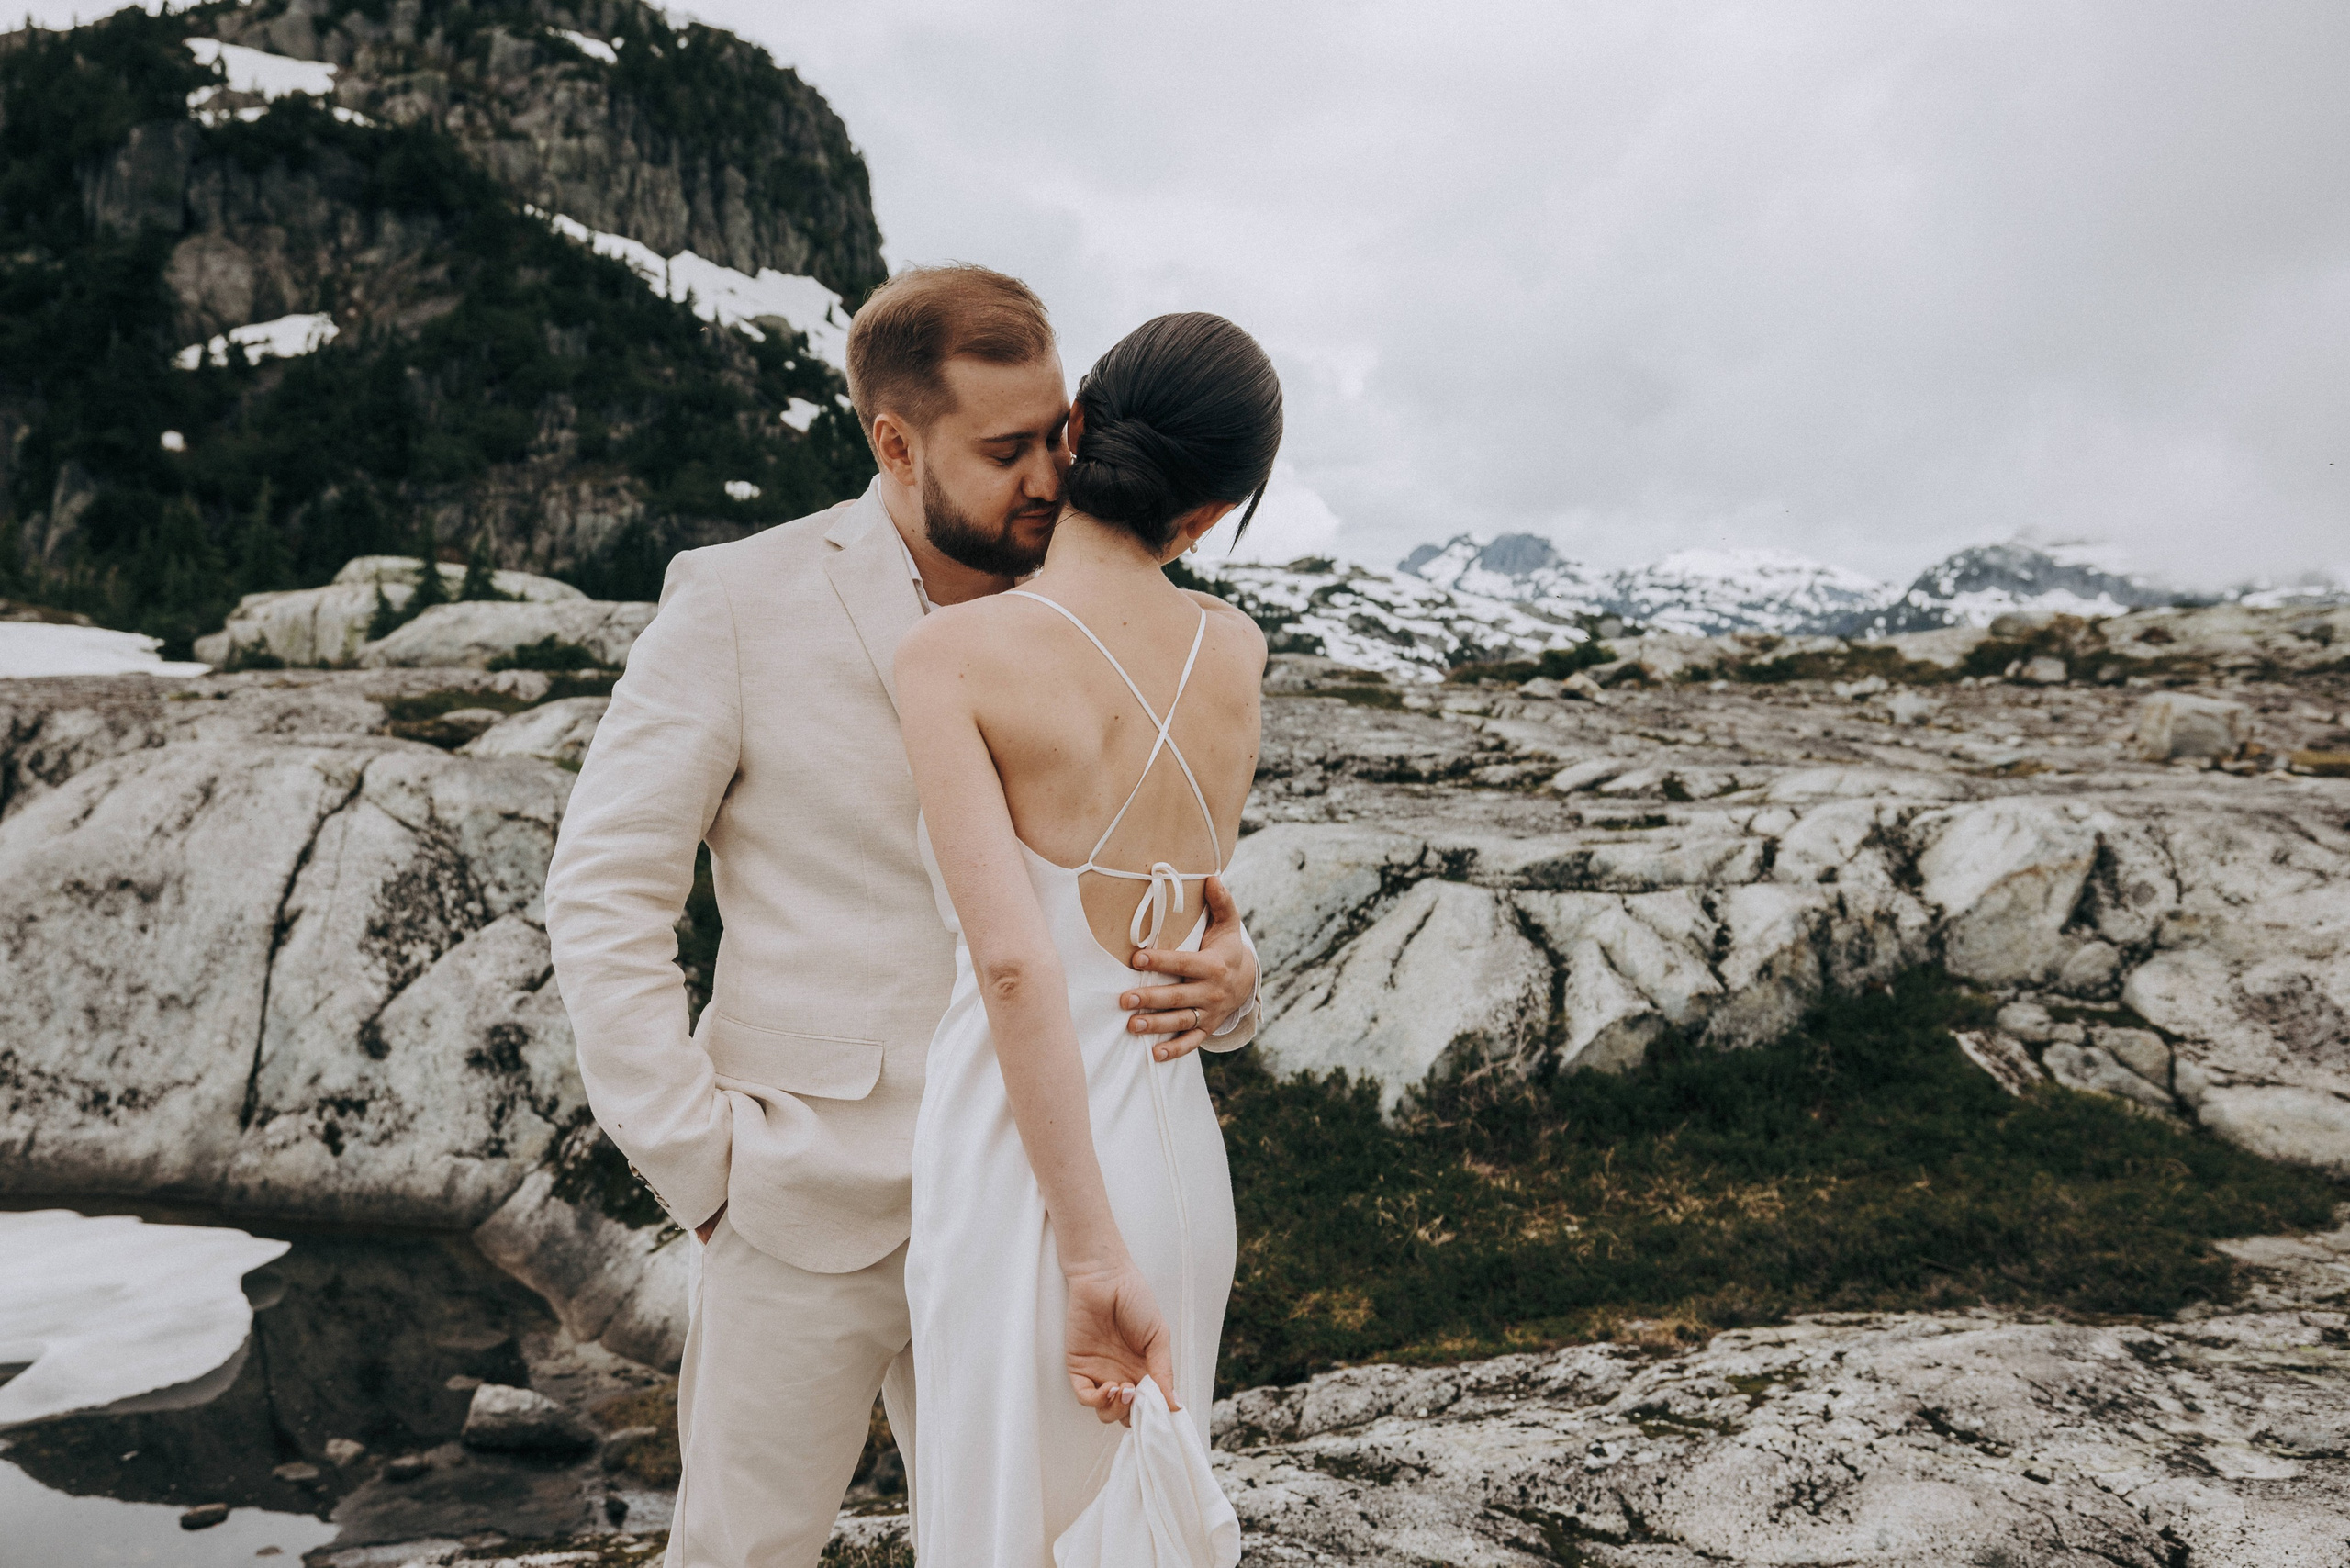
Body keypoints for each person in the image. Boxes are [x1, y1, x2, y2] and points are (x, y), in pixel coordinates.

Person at [543, 268, 1263, 1568]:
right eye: (1005, 450)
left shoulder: (1089, 603)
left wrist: (1228, 966)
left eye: (1061, 434)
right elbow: (604, 889)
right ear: (894, 443)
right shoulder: (736, 599)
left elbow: (1142, 871)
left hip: (1035, 1198)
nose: (1049, 477)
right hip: (800, 1194)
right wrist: (703, 1171)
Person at [897, 312, 1279, 1565]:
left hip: (1023, 1167)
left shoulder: (951, 656)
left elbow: (1018, 966)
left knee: (1003, 1517)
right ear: (1215, 513)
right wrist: (1241, 981)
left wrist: (1086, 1251)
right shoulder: (1236, 650)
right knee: (1139, 1521)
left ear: (1074, 434)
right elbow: (1201, 920)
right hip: (1173, 1156)